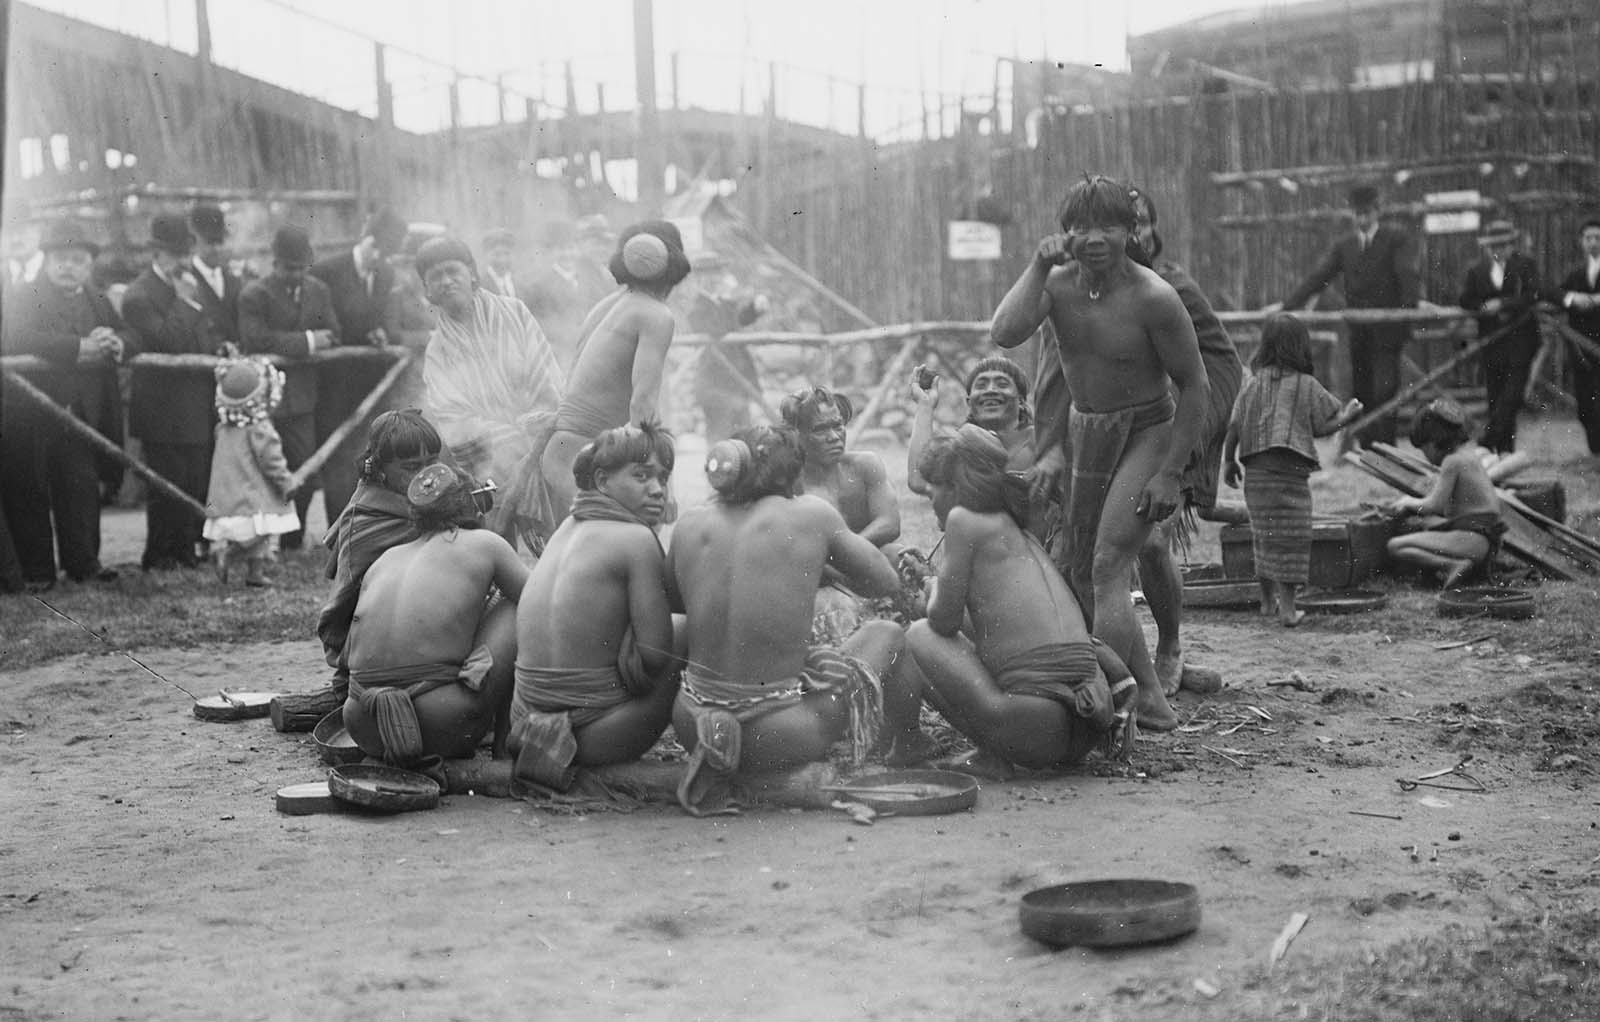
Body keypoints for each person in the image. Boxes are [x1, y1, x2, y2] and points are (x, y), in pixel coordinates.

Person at [990, 175, 1208, 732]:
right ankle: (1153, 701)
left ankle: (1111, 702)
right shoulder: (1057, 284)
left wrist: (1171, 474)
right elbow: (1005, 332)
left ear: (1130, 231)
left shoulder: (1153, 297)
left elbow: (1195, 385)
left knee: (1108, 566)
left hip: (1146, 431)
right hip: (1087, 431)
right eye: (1082, 227)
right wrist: (1037, 266)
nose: (1095, 239)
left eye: (1109, 226)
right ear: (1065, 233)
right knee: (1084, 575)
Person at [667, 425, 929, 815]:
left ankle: (731, 769)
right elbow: (884, 580)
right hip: (777, 734)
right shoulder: (812, 514)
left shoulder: (689, 522)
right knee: (888, 634)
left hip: (695, 725)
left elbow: (676, 599)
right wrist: (820, 562)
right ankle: (908, 744)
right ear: (793, 473)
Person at [903, 426, 1138, 775]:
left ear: (953, 486)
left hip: (1033, 730)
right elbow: (983, 628)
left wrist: (928, 588)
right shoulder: (1018, 531)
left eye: (932, 490)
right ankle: (995, 750)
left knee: (916, 636)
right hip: (1084, 725)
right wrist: (931, 582)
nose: (931, 500)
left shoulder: (963, 520)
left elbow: (943, 623)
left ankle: (989, 755)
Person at [510, 423, 680, 791]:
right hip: (588, 736)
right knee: (683, 629)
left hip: (523, 725)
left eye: (663, 479)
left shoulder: (565, 530)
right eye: (641, 475)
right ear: (602, 481)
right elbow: (655, 656)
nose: (657, 489)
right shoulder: (635, 538)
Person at [1127, 186, 1245, 691]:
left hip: (1181, 417)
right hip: (1124, 423)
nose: (1133, 233)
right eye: (1121, 222)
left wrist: (1189, 442)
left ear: (1154, 230)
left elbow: (1221, 363)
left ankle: (1170, 645)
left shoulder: (1171, 285)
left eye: (1141, 222)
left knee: (1152, 540)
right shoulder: (1094, 289)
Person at [341, 464, 528, 767]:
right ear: (472, 504)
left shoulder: (386, 559)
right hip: (442, 721)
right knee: (516, 606)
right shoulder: (485, 544)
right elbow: (538, 601)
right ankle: (505, 753)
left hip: (363, 723)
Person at [0, 217, 130, 587]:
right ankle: (38, 571)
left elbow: (128, 331)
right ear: (46, 260)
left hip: (81, 416)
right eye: (61, 259)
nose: (68, 267)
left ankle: (84, 564)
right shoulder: (23, 295)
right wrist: (77, 348)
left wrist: (116, 341)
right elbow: (15, 338)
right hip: (31, 413)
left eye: (76, 260)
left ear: (89, 266)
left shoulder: (98, 298)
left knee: (80, 488)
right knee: (30, 492)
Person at [417, 236, 566, 545]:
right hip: (488, 459)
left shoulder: (515, 312)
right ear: (427, 291)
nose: (446, 281)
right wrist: (510, 439)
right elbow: (453, 418)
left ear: (471, 273)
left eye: (452, 271)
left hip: (541, 440)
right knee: (497, 542)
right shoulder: (437, 350)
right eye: (435, 277)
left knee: (562, 537)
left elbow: (545, 376)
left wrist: (535, 427)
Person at [541, 221, 690, 527]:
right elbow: (642, 406)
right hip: (587, 458)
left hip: (563, 453)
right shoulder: (656, 315)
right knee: (633, 546)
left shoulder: (608, 305)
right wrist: (663, 484)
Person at [1221, 313, 1364, 626]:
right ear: (1301, 347)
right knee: (1293, 539)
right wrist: (1347, 417)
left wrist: (1229, 461)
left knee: (1263, 536)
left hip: (1256, 476)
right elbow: (1322, 426)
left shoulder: (1252, 385)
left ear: (1266, 346)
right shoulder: (1306, 385)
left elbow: (1234, 426)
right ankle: (1288, 609)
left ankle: (1266, 602)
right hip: (1290, 477)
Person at [1276, 184, 1421, 448]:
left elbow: (1407, 272)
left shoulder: (1395, 238)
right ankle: (1367, 448)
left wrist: (1409, 306)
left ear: (1378, 211)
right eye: (1357, 214)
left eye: (1367, 213)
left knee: (1385, 389)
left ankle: (1387, 448)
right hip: (1360, 330)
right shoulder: (1346, 245)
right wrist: (1289, 306)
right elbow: (1319, 277)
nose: (1362, 219)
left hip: (1388, 329)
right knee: (1363, 388)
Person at [122, 213, 225, 571]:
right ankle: (159, 556)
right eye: (174, 253)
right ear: (156, 252)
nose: (182, 261)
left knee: (195, 479)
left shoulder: (191, 285)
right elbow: (169, 342)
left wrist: (219, 349)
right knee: (167, 484)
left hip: (195, 404)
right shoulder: (138, 295)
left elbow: (205, 337)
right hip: (161, 408)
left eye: (185, 252)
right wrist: (185, 302)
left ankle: (185, 553)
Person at [238, 225, 341, 550]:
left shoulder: (318, 290)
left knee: (305, 470)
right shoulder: (254, 294)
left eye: (301, 267)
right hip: (263, 400)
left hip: (302, 399)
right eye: (288, 268)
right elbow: (255, 339)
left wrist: (305, 341)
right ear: (275, 262)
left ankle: (292, 538)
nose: (295, 274)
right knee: (261, 470)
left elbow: (335, 333)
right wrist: (310, 340)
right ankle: (258, 542)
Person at [317, 409, 444, 673]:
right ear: (380, 470)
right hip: (372, 649)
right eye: (411, 467)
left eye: (431, 462)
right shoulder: (365, 523)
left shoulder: (425, 504)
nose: (427, 475)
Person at [310, 207, 409, 526]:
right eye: (376, 249)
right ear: (366, 239)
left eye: (386, 254)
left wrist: (382, 333)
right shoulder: (326, 271)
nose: (378, 258)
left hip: (371, 382)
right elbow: (322, 322)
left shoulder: (386, 274)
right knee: (337, 453)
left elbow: (387, 319)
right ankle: (336, 526)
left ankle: (363, 523)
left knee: (367, 453)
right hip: (333, 382)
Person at [1385, 399, 1506, 588]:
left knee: (1395, 546)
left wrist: (1408, 502)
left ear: (1433, 442)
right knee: (1426, 525)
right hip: (1484, 540)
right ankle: (1459, 564)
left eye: (1423, 449)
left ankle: (1452, 565)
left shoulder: (1452, 461)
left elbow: (1434, 505)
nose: (1425, 456)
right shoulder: (1469, 456)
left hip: (1473, 539)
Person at [202, 357, 299, 586]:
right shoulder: (260, 429)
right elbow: (271, 461)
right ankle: (230, 554)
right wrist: (286, 482)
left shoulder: (223, 428)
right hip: (253, 494)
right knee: (264, 529)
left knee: (258, 529)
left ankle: (255, 574)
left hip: (227, 494)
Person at [1458, 220, 1543, 454]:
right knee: (1495, 395)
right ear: (1486, 247)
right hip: (1492, 341)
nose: (1497, 250)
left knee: (1512, 394)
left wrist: (1503, 303)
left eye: (1502, 245)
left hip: (1521, 339)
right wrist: (1483, 306)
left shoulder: (1525, 265)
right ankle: (1504, 450)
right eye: (1493, 246)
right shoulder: (1477, 270)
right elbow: (1465, 299)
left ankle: (1489, 438)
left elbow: (1533, 294)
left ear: (1511, 245)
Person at [782, 386, 900, 547]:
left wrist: (848, 554)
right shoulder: (788, 482)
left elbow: (890, 524)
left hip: (868, 563)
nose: (834, 436)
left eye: (837, 425)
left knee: (896, 553)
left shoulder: (865, 465)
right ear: (796, 434)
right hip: (819, 568)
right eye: (820, 429)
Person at [1554, 219, 1600, 455]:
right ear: (1581, 242)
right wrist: (1573, 299)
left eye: (1597, 238)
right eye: (1588, 238)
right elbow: (1557, 294)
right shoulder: (1575, 274)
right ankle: (1595, 451)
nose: (1593, 243)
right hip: (1581, 349)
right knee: (1585, 404)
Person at [188, 203, 242, 346]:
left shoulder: (234, 279)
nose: (218, 249)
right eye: (210, 242)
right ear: (194, 241)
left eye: (220, 241)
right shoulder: (187, 279)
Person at [478, 227, 525, 303]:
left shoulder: (520, 286)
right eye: (497, 254)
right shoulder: (480, 287)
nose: (502, 260)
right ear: (486, 255)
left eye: (507, 253)